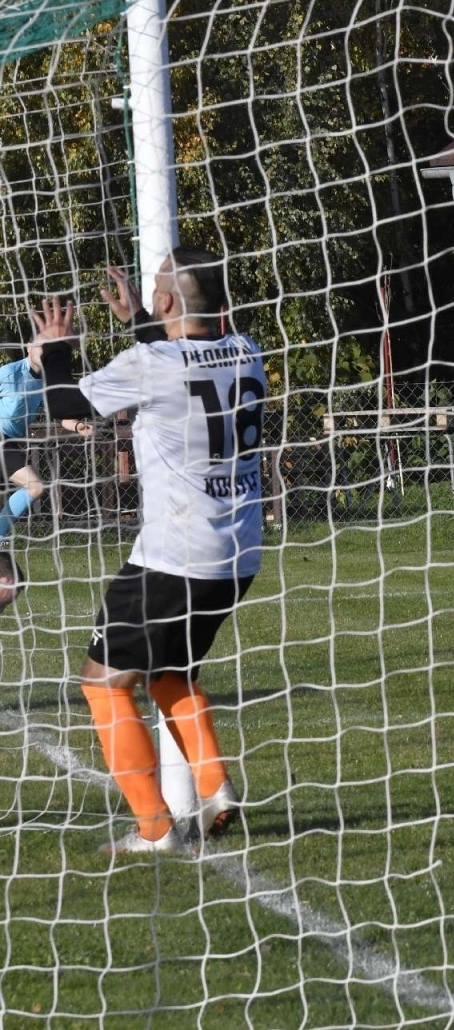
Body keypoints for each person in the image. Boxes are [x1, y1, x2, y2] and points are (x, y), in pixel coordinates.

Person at [34, 247, 266, 854]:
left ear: (165, 299)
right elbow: (185, 363)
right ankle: (216, 787)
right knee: (169, 672)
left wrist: (55, 346)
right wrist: (143, 315)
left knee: (102, 682)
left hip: (174, 555)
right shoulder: (248, 352)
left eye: (158, 282)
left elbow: (66, 407)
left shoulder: (151, 360)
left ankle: (154, 827)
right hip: (237, 554)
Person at [0, 338, 92, 612]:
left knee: (36, 488)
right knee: (36, 487)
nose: (44, 350)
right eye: (41, 345)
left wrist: (76, 425)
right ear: (29, 347)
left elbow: (56, 413)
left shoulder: (47, 380)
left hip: (13, 444)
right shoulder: (8, 374)